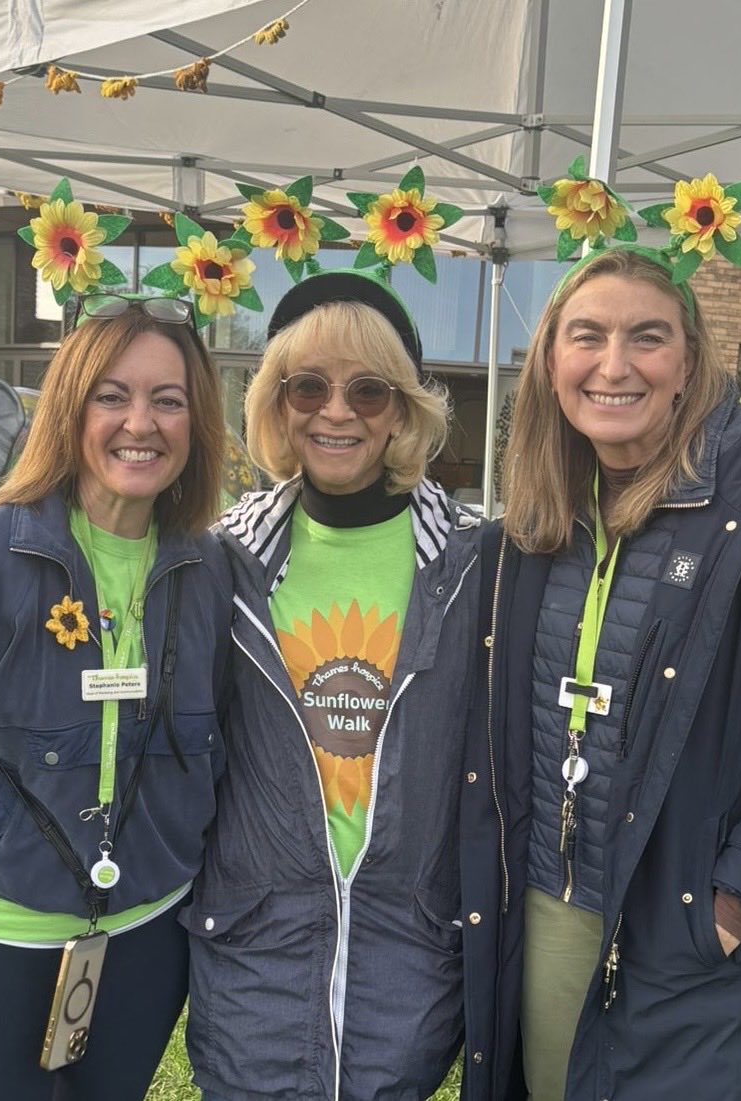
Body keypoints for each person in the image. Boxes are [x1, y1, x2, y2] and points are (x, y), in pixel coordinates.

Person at [461, 239, 741, 1101]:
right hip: (544, 909)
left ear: (689, 362)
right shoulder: (539, 520)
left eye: (647, 337)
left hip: (684, 923)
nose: (614, 365)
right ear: (551, 362)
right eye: (587, 336)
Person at [182, 269, 483, 1101]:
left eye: (369, 391)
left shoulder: (475, 565)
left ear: (406, 412)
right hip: (257, 963)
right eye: (307, 386)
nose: (336, 411)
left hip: (408, 963)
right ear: (276, 402)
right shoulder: (222, 561)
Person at [0, 293, 233, 1101]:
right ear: (72, 408)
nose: (139, 423)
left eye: (168, 399)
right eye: (112, 395)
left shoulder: (212, 571)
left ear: (197, 421)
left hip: (149, 938)